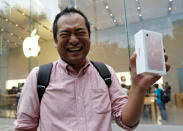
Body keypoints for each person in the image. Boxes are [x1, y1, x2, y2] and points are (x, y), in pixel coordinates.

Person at [14, 7, 170, 131]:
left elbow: (127, 122)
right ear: (55, 40)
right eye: (65, 34)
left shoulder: (105, 73)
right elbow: (25, 127)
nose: (74, 40)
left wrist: (139, 87)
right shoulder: (38, 77)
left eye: (80, 32)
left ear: (89, 36)